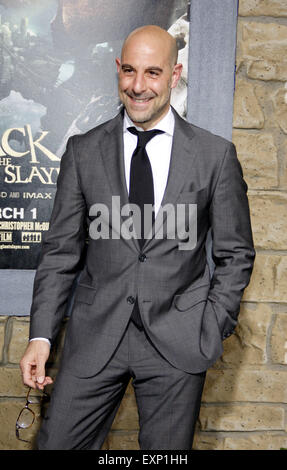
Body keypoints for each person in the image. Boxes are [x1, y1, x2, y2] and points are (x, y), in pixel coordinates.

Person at [20, 25, 255, 450]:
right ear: (117, 70)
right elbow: (60, 254)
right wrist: (41, 337)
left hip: (178, 340)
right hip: (95, 336)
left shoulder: (214, 156)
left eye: (152, 72)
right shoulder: (83, 151)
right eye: (129, 71)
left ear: (174, 74)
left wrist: (212, 324)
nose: (138, 86)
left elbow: (235, 254)